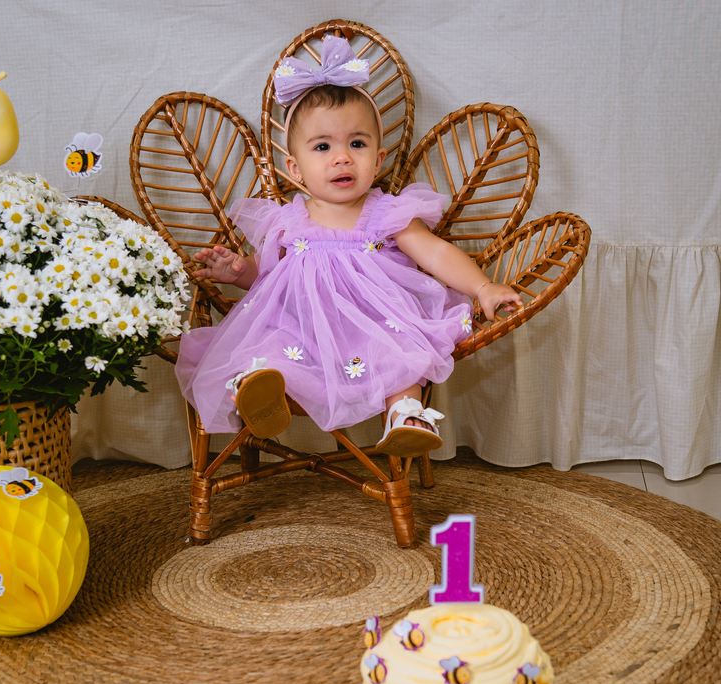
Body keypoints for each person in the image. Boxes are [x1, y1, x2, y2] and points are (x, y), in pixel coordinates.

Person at [174, 36, 521, 457]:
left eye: (357, 144)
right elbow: (267, 278)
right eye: (323, 147)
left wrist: (482, 287)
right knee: (267, 345)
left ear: (378, 159)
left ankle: (405, 416)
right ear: (294, 168)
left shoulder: (387, 213)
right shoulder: (287, 220)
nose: (342, 157)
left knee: (399, 354)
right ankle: (258, 394)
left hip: (375, 326)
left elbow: (434, 253)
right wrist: (237, 271)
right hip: (302, 332)